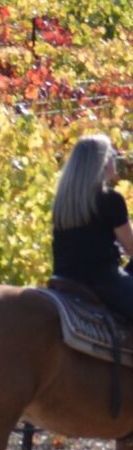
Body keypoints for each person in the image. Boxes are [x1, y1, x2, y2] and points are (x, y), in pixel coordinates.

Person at [52, 132, 133, 321]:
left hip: (63, 279)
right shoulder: (110, 200)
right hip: (101, 281)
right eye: (112, 155)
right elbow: (130, 247)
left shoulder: (62, 202)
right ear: (103, 163)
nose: (115, 160)